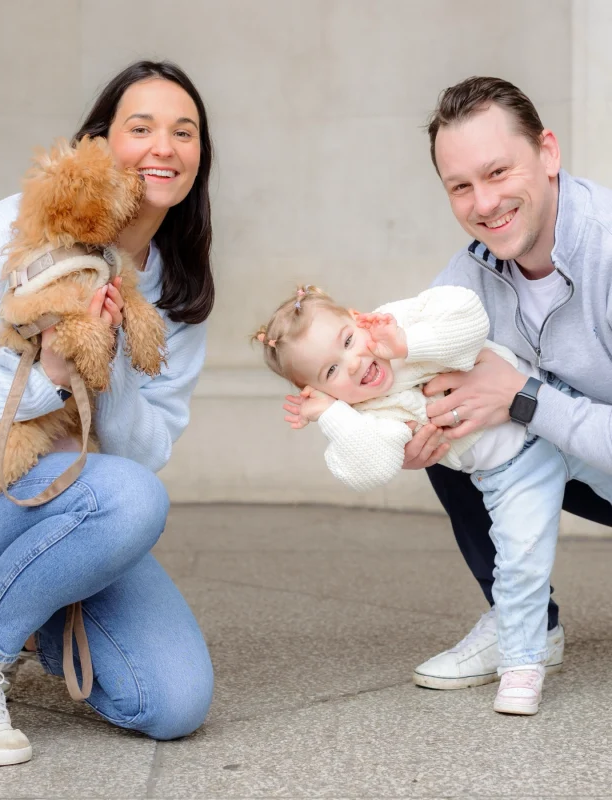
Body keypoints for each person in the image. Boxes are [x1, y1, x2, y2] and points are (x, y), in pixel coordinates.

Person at [0, 60, 215, 766]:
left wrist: (108, 365)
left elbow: (143, 454)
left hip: (78, 511)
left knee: (173, 701)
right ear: (99, 144)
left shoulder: (179, 289)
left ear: (201, 157)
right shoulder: (8, 236)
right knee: (131, 499)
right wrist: (49, 372)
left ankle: (6, 625)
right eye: (140, 128)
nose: (163, 147)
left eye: (184, 132)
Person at [261, 284, 612, 714]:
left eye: (349, 341)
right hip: (514, 470)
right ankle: (522, 665)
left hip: (557, 406)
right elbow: (369, 467)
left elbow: (468, 313)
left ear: (360, 317)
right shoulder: (371, 414)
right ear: (322, 392)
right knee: (520, 563)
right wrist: (333, 416)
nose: (353, 364)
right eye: (331, 373)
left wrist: (409, 341)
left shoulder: (395, 325)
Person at [404, 76, 612, 694]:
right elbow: (399, 362)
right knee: (453, 409)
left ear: (548, 153)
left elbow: (523, 399)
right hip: (588, 458)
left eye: (498, 172)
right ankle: (525, 626)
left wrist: (523, 397)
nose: (484, 203)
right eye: (461, 187)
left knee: (495, 399)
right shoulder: (470, 272)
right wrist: (401, 430)